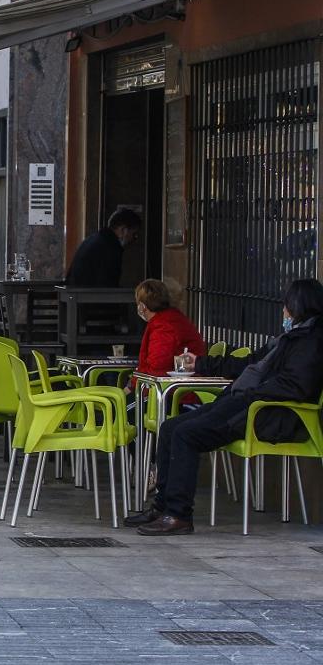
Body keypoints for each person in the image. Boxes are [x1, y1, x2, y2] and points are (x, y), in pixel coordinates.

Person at [126, 279, 323, 535]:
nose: (283, 313)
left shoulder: (311, 342)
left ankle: (178, 514)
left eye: (286, 307)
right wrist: (201, 364)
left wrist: (250, 393)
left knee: (187, 434)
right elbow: (250, 362)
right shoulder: (287, 338)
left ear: (299, 306)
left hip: (264, 413)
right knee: (170, 427)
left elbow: (296, 386)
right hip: (243, 401)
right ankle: (162, 507)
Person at [65, 208, 143, 287]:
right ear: (123, 230)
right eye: (134, 234)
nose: (134, 239)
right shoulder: (111, 249)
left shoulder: (94, 239)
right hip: (88, 297)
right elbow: (108, 287)